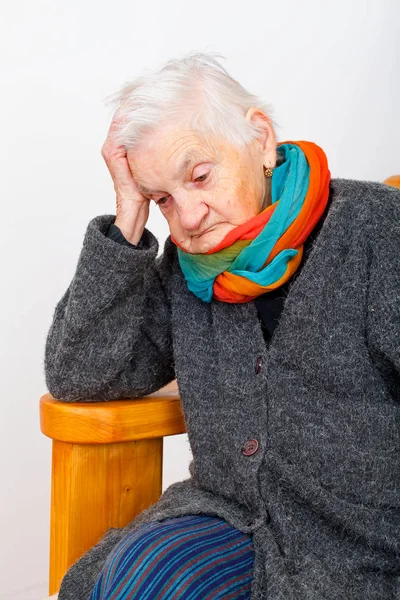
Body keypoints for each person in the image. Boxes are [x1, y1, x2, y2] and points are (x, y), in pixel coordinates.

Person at [44, 51, 400, 600]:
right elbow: (81, 376)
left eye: (200, 176)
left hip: (366, 546)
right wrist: (127, 221)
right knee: (138, 583)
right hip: (232, 519)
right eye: (163, 199)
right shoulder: (188, 270)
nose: (187, 218)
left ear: (259, 140)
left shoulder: (377, 231)